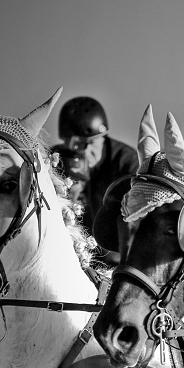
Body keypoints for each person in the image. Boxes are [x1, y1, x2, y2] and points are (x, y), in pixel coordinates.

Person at [54, 96, 138, 263]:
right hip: (72, 256)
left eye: (91, 143)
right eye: (77, 146)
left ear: (103, 137)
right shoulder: (56, 161)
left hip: (118, 256)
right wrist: (64, 198)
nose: (84, 152)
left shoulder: (126, 161)